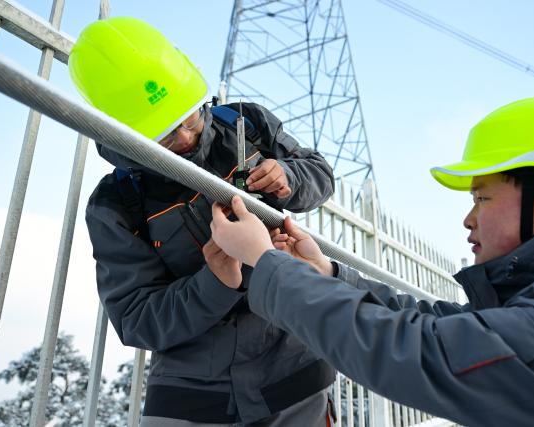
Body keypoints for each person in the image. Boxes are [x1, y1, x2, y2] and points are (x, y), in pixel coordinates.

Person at [209, 97, 534, 426]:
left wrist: (264, 260)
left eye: (482, 197)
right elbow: (445, 325)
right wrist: (329, 273)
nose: (469, 218)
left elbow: (415, 348)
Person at [69, 17, 336, 426]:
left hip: (292, 376)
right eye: (168, 134)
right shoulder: (115, 205)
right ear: (122, 134)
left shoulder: (244, 124)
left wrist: (290, 178)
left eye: (191, 116)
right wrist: (216, 281)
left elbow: (319, 173)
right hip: (193, 398)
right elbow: (137, 318)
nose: (189, 136)